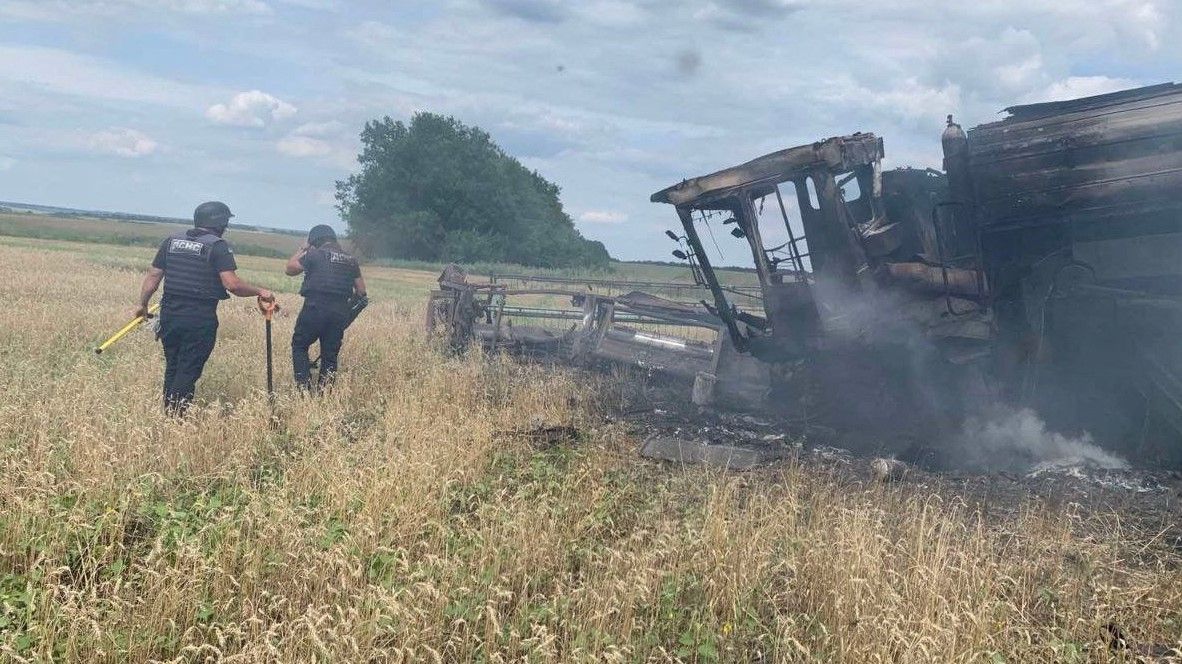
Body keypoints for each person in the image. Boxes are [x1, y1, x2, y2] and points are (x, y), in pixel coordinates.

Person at [134, 201, 276, 414]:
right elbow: (232, 284)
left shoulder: (171, 241)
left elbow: (153, 277)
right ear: (220, 222)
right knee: (188, 368)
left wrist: (142, 305)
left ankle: (168, 412)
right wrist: (260, 291)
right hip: (198, 316)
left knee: (173, 365)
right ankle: (176, 417)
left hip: (170, 315)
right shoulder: (217, 246)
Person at [285, 224, 366, 391]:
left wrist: (303, 248)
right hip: (339, 312)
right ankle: (325, 394)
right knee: (330, 355)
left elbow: (290, 269)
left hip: (314, 308)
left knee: (300, 345)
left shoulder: (314, 254)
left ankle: (304, 391)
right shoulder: (351, 260)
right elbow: (361, 291)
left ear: (315, 241)